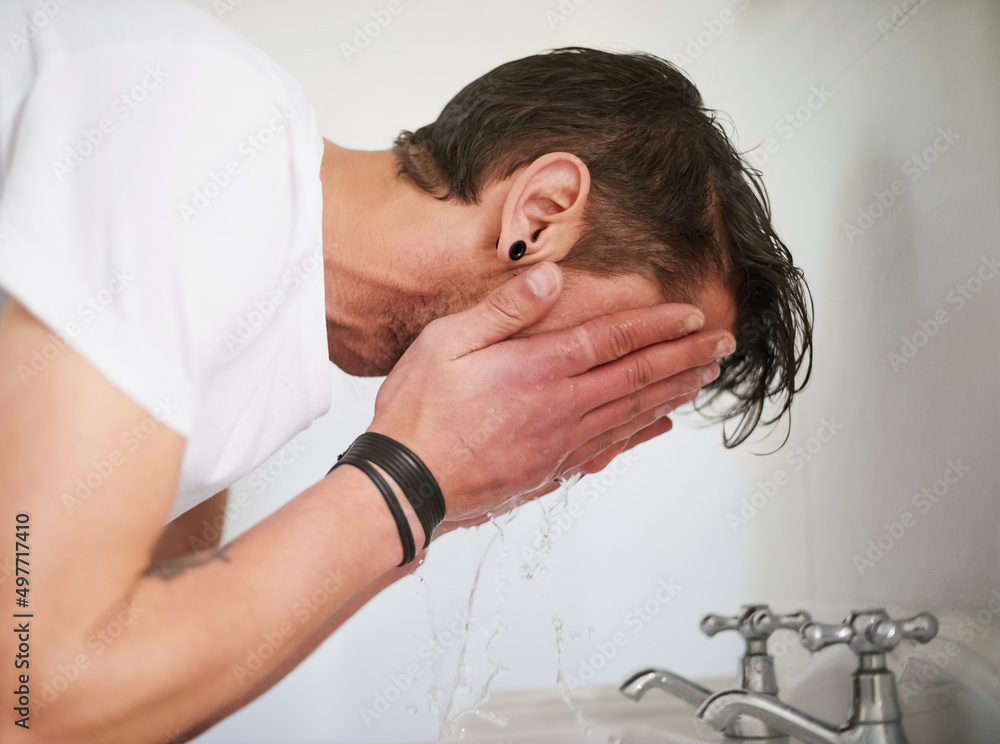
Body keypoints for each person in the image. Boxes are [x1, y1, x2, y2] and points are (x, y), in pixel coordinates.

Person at [0, 0, 811, 740]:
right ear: (542, 213)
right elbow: (38, 699)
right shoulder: (206, 122)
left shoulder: (253, 364)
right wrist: (410, 478)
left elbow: (143, 700)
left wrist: (436, 500)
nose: (597, 414)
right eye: (631, 360)